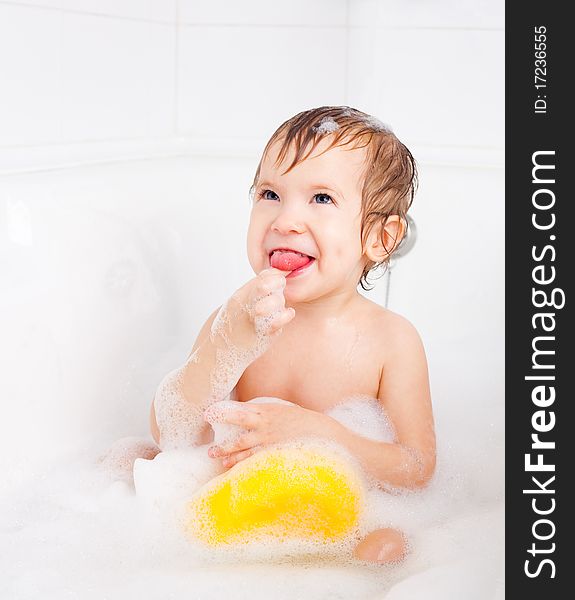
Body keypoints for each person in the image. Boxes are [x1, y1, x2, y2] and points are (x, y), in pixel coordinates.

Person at [149, 106, 436, 564]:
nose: (285, 220)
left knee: (388, 544)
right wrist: (223, 347)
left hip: (338, 515)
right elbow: (173, 432)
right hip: (228, 509)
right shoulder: (235, 322)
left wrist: (320, 433)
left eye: (321, 199)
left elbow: (415, 469)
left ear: (381, 238)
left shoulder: (391, 341)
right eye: (269, 193)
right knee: (133, 463)